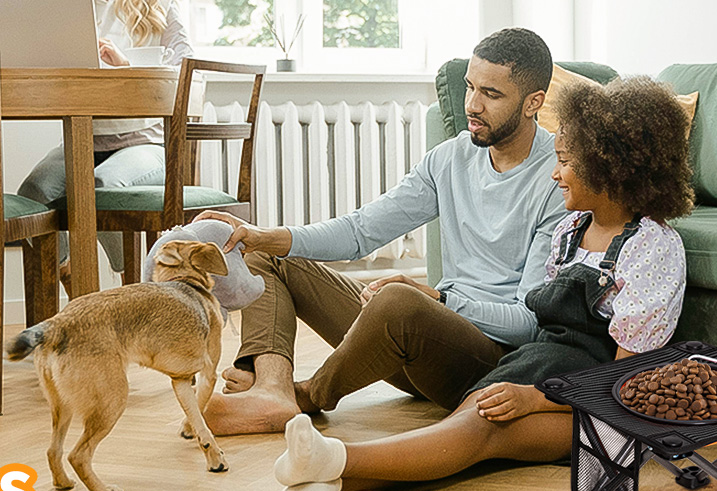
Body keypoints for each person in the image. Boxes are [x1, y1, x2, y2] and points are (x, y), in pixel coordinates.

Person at [265, 75, 696, 491]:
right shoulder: (571, 231)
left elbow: (625, 382)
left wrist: (536, 398)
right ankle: (318, 488)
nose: (555, 174)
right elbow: (545, 330)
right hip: (541, 367)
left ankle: (332, 459)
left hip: (601, 411)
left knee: (481, 428)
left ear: (610, 167)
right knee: (467, 426)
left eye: (566, 162)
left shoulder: (653, 248)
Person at [195, 28, 568, 435]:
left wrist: (439, 299)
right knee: (265, 255)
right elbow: (361, 231)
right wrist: (262, 234)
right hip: (415, 342)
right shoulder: (449, 158)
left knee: (398, 300)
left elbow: (528, 323)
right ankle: (273, 390)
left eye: (491, 95)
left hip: (484, 365)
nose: (472, 106)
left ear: (533, 102)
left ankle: (309, 395)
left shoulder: (560, 178)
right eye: (470, 87)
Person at [16, 0, 193, 280]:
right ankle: (73, 283)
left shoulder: (159, 6)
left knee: (101, 188)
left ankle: (130, 285)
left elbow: (186, 72)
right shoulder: (67, 11)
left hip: (145, 143)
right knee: (33, 193)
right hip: (81, 140)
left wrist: (127, 66)